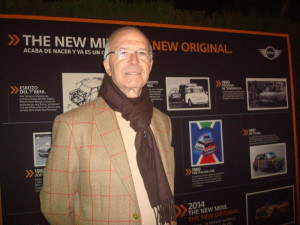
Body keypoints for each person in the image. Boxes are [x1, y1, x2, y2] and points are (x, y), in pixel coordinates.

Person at [40, 26, 177, 225]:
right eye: (123, 53)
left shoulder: (163, 122)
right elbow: (55, 206)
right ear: (107, 65)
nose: (134, 60)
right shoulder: (73, 125)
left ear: (151, 63)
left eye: (141, 53)